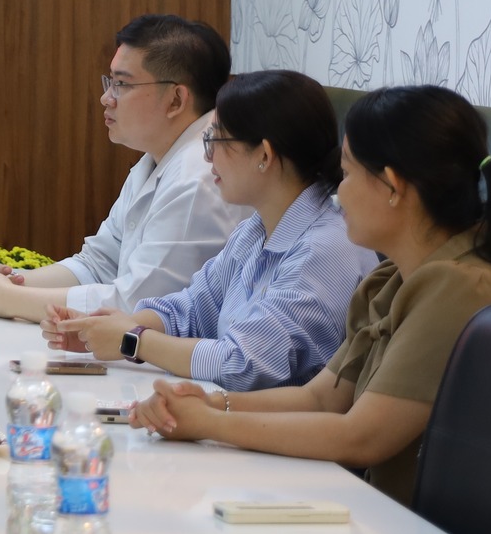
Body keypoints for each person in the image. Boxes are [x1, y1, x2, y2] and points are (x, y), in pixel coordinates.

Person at [131, 84, 491, 505]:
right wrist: (211, 403)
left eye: (348, 173)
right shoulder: (396, 279)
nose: (339, 193)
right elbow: (321, 398)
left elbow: (360, 436)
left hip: (420, 532)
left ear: (392, 187)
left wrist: (209, 423)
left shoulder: (459, 288)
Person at [46, 70, 374, 390]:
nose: (207, 157)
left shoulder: (325, 249)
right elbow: (192, 309)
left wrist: (132, 341)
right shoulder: (255, 230)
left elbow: (243, 363)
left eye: (216, 140)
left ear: (264, 154)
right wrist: (105, 328)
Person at [0, 15, 247, 323]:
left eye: (121, 84)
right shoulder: (159, 156)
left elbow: (139, 307)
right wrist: (13, 282)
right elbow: (99, 262)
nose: (106, 98)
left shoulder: (200, 175)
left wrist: (10, 299)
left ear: (176, 100)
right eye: (110, 81)